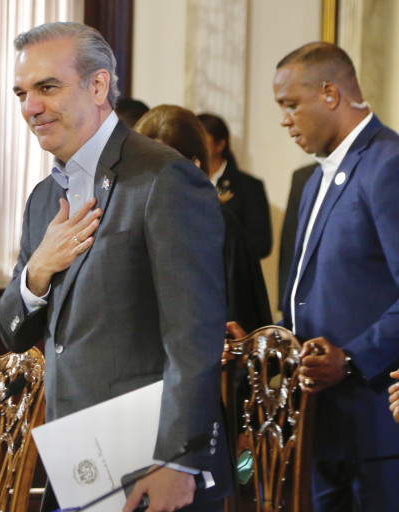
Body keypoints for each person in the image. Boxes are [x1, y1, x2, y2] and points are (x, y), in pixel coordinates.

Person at [0, 22, 232, 512]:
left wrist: (178, 460)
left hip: (154, 466)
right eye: (21, 93)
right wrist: (38, 272)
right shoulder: (43, 198)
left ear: (98, 86)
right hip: (78, 463)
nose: (30, 107)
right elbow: (11, 332)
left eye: (47, 88)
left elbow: (194, 336)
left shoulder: (165, 178)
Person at [228, 42, 399, 512]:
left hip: (375, 428)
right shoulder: (313, 178)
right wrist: (261, 347)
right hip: (318, 424)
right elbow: (305, 300)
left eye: (290, 105)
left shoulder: (388, 164)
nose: (285, 120)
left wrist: (352, 359)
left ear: (329, 94)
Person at [135, 105, 271, 332]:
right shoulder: (130, 223)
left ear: (193, 164)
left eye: (160, 164)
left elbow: (240, 323)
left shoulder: (220, 227)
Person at [197, 113, 273, 259]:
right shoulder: (184, 181)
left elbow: (262, 244)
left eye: (200, 138)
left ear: (219, 145)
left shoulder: (249, 186)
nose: (194, 144)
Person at [277, 163, 316, 310]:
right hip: (304, 297)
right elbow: (290, 242)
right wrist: (284, 299)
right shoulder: (303, 177)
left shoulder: (370, 169)